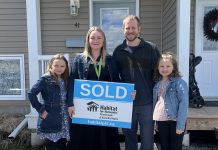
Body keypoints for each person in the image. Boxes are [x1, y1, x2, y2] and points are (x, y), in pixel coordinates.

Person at [67, 26, 121, 150]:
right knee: (85, 139)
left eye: (99, 37)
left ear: (103, 41)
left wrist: (128, 94)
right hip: (85, 107)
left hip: (105, 109)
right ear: (88, 40)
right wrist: (70, 103)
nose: (95, 40)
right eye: (92, 38)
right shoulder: (79, 60)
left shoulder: (111, 60)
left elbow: (117, 82)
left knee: (105, 139)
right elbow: (72, 82)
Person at [112, 15, 161, 150]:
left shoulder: (151, 49)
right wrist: (123, 91)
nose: (131, 30)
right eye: (128, 28)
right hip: (126, 103)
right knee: (129, 138)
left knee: (147, 140)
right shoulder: (118, 52)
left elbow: (159, 73)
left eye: (133, 27)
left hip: (148, 102)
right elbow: (115, 77)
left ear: (139, 29)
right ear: (123, 29)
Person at [28, 54, 74, 150]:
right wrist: (41, 110)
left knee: (62, 145)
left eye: (62, 66)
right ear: (50, 66)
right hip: (51, 117)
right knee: (52, 146)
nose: (59, 68)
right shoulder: (45, 79)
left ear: (66, 67)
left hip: (64, 117)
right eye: (56, 65)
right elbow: (31, 94)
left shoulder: (67, 80)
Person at [153, 52, 189, 150]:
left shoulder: (179, 83)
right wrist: (156, 123)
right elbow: (158, 103)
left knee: (175, 147)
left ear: (174, 67)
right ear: (158, 67)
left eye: (168, 66)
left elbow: (184, 103)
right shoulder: (157, 84)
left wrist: (180, 125)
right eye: (162, 66)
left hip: (175, 121)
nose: (164, 69)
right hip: (161, 121)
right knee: (164, 146)